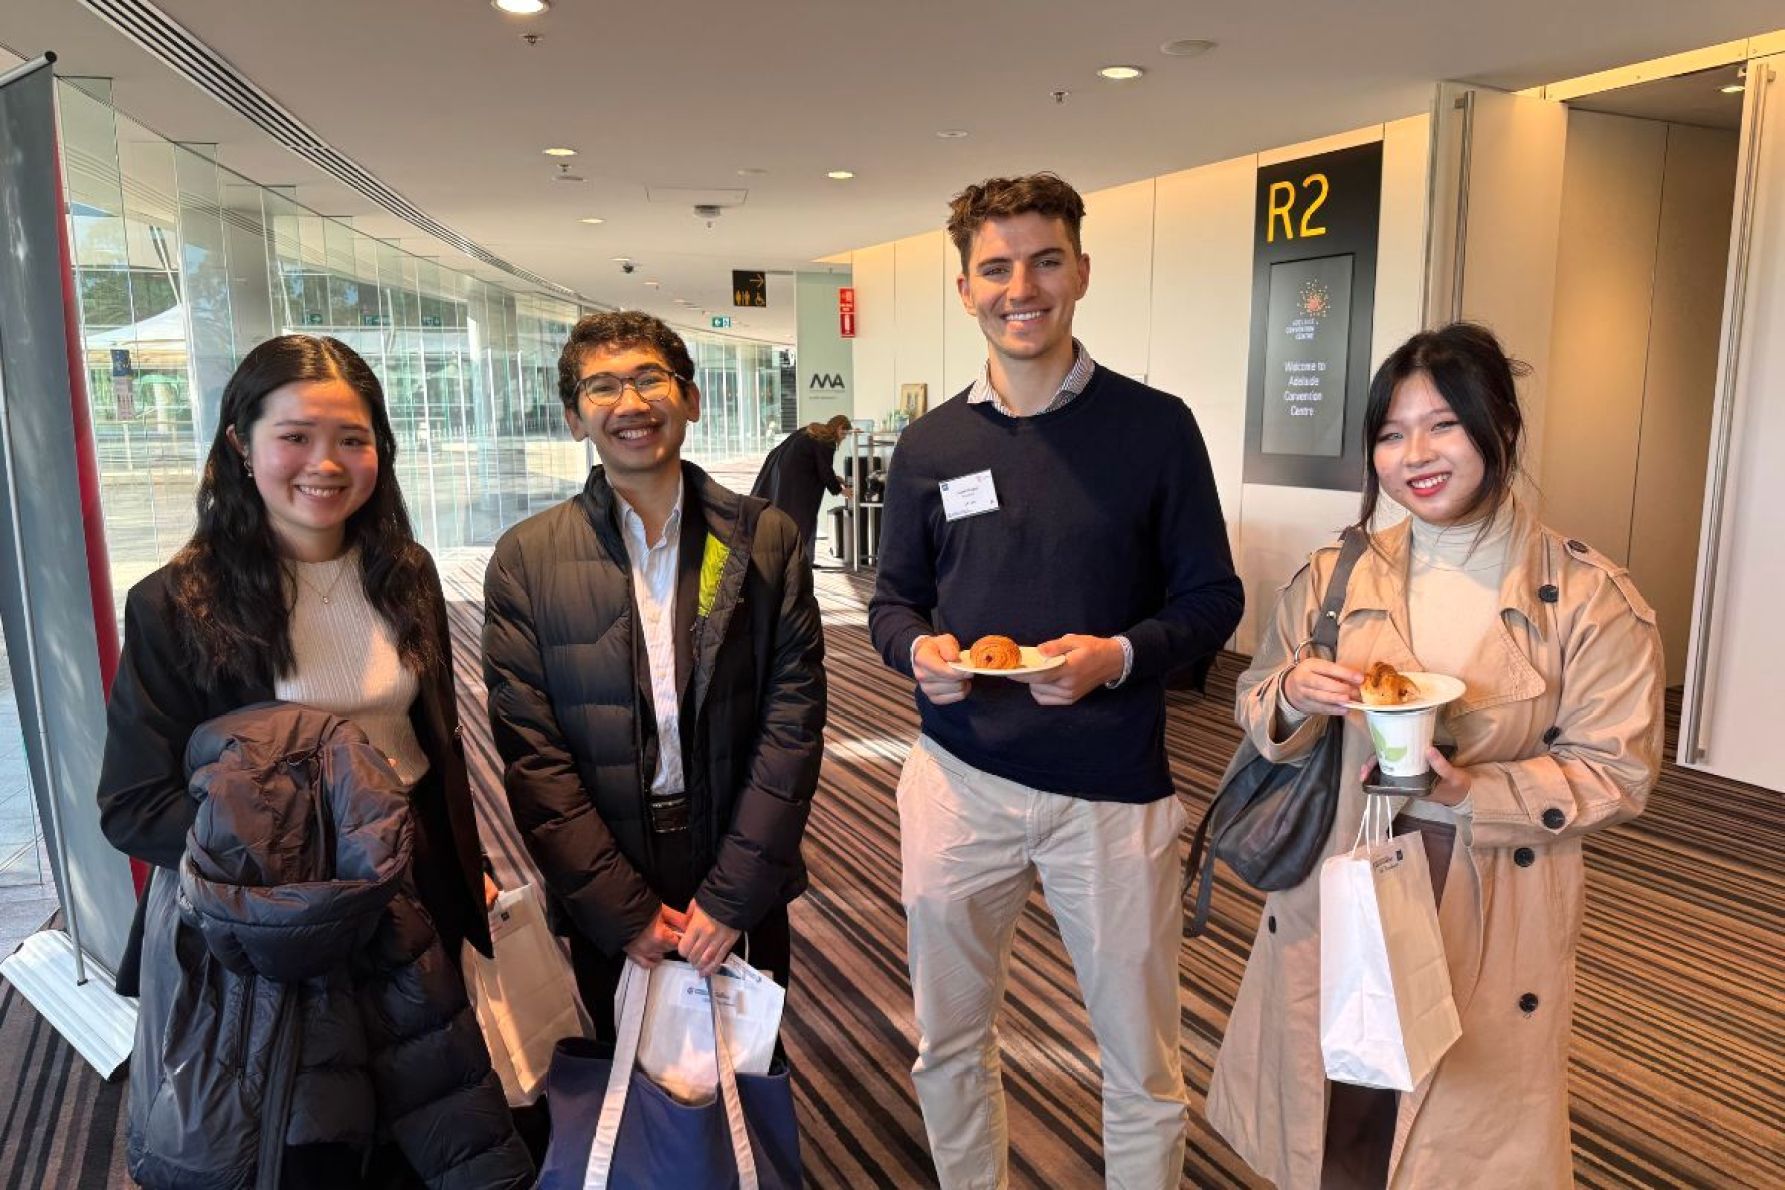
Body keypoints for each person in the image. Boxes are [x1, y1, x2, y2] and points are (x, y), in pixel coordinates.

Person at [1204, 322, 1664, 1188]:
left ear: (1500, 428)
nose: (1413, 454)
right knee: (1339, 1097)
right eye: (1390, 434)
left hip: (1486, 877)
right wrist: (1292, 694)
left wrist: (1472, 792)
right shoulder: (1335, 574)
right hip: (1345, 860)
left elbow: (1617, 771)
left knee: (1454, 1117)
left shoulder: (1588, 596)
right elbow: (1253, 697)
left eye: (1442, 425)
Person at [867, 173, 1245, 1189]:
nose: (1020, 288)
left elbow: (1213, 597)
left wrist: (1116, 656)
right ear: (965, 288)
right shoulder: (931, 445)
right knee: (948, 1042)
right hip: (960, 782)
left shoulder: (1154, 427)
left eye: (1043, 261)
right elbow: (893, 600)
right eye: (995, 268)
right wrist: (917, 654)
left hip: (1112, 791)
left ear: (1080, 271)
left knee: (1141, 1064)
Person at [97, 334, 526, 1186]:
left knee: (428, 1132)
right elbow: (134, 805)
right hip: (272, 932)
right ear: (239, 444)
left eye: (352, 439)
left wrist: (462, 864)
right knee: (306, 1153)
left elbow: (432, 750)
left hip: (412, 895)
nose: (325, 464)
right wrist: (304, 858)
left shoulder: (404, 573)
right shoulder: (177, 603)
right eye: (295, 436)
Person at [482, 310, 825, 1037]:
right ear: (574, 418)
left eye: (649, 379)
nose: (631, 403)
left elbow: (791, 727)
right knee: (628, 1072)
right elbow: (533, 755)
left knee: (748, 1068)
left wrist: (733, 896)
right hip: (609, 863)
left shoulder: (764, 539)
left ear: (690, 399)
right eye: (602, 387)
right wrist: (619, 907)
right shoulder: (526, 558)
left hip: (737, 853)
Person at [751, 413, 855, 564]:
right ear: (839, 428)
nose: (843, 439)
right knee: (804, 519)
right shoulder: (827, 440)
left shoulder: (813, 430)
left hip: (782, 474)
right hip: (797, 483)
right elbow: (824, 470)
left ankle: (800, 560)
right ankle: (801, 562)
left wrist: (835, 479)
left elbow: (818, 464)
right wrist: (841, 490)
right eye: (844, 434)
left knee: (794, 518)